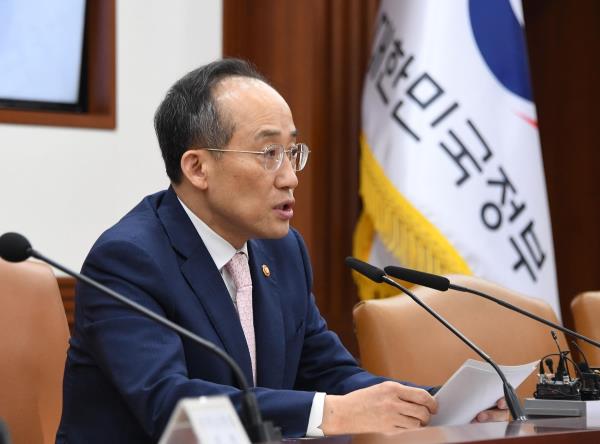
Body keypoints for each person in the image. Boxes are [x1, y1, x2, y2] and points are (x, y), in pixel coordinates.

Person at [56, 58, 506, 443]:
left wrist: (441, 403)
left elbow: (331, 375)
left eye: (293, 152)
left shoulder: (282, 252)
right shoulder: (128, 260)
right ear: (197, 167)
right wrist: (333, 413)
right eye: (269, 152)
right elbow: (172, 408)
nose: (290, 176)